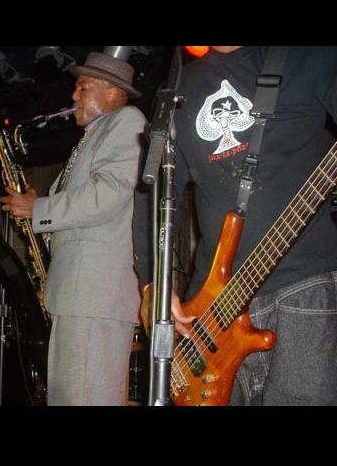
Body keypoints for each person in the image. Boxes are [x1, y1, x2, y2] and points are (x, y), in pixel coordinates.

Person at [134, 46, 337, 406]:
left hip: (303, 284)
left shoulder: (309, 55)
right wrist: (153, 285)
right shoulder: (180, 86)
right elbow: (152, 194)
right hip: (212, 309)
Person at [1, 51, 147, 405]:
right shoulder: (92, 137)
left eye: (82, 87)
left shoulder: (126, 120)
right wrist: (39, 204)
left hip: (94, 296)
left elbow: (109, 193)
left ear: (112, 91)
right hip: (77, 296)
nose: (73, 96)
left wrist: (40, 209)